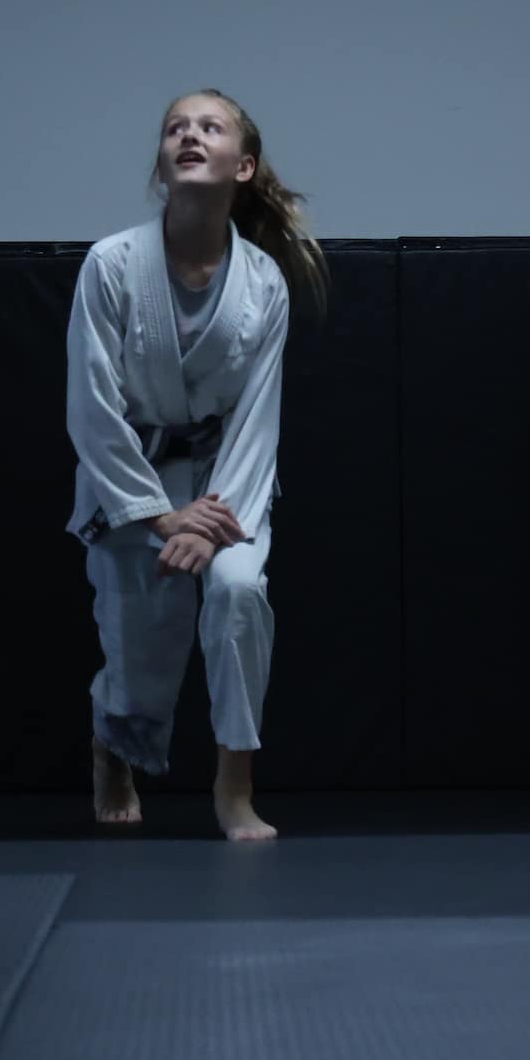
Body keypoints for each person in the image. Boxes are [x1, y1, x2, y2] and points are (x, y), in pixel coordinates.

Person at [66, 92, 325, 843]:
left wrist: (211, 525)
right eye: (174, 127)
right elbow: (91, 407)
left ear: (242, 165)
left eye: (208, 127)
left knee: (240, 596)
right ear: (161, 160)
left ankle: (234, 785)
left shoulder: (263, 282)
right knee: (139, 654)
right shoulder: (110, 265)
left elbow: (257, 419)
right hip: (132, 480)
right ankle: (114, 747)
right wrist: (158, 516)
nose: (188, 135)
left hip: (222, 484)